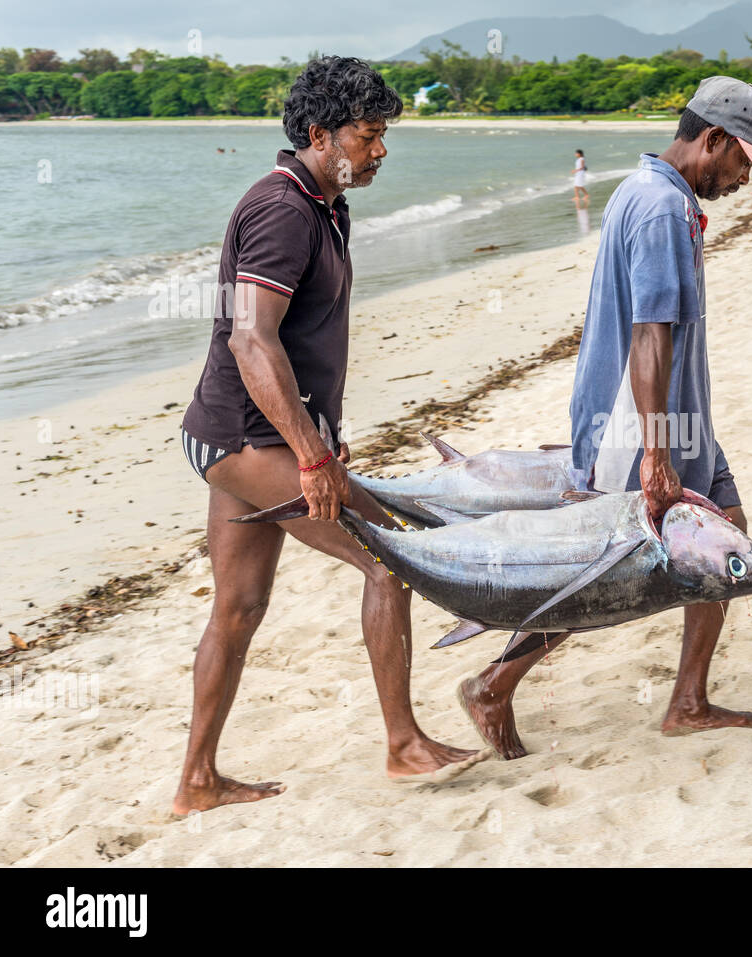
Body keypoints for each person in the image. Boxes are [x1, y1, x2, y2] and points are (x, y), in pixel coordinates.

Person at [173, 57, 481, 814]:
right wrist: (311, 456)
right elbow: (252, 340)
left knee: (238, 608)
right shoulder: (283, 210)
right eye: (370, 136)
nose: (381, 152)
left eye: (382, 137)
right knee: (389, 558)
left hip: (239, 435)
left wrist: (320, 438)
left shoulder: (324, 202)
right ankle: (405, 745)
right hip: (246, 440)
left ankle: (197, 781)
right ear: (320, 134)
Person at [457, 77, 752, 759]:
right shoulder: (661, 207)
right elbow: (649, 334)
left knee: (728, 538)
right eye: (741, 164)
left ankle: (689, 699)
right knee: (601, 571)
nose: (742, 181)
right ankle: (494, 683)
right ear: (714, 139)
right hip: (638, 427)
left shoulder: (652, 192)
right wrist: (657, 452)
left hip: (679, 416)